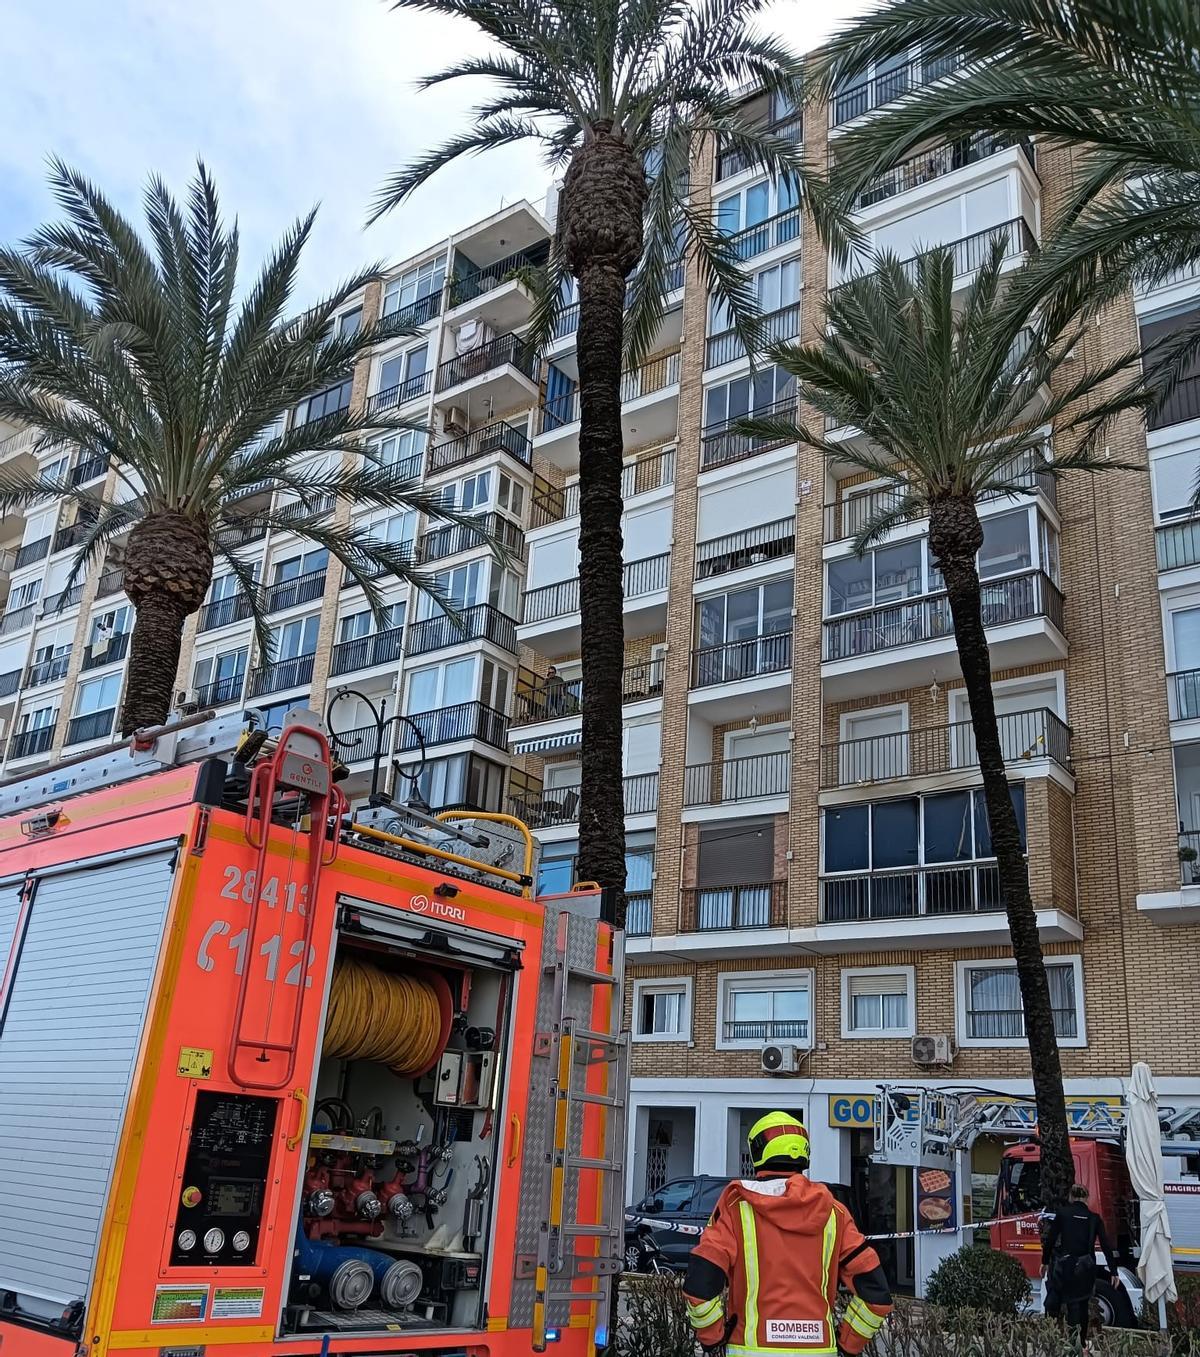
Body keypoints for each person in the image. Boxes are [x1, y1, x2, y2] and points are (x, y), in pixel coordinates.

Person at [684, 1112, 893, 1357]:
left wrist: (713, 1340)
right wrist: (847, 1345)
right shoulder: (834, 1213)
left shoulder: (736, 1209)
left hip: (749, 1349)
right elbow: (876, 1296)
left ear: (757, 1151)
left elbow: (700, 1286)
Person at [1041, 1183, 1119, 1348]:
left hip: (1065, 1267)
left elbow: (1050, 1240)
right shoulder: (1094, 1218)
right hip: (1085, 1269)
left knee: (1053, 1301)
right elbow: (1106, 1245)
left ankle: (1052, 1341)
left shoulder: (1062, 1214)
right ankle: (1080, 1343)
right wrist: (1114, 1271)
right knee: (1081, 1307)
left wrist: (1045, 1261)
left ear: (1071, 1197)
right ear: (1086, 1199)